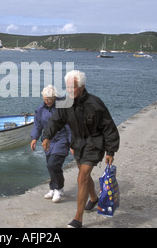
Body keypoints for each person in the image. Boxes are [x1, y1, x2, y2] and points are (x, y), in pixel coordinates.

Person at [41, 70, 120, 228]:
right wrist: (46, 136)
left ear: (82, 87)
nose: (70, 90)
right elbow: (55, 121)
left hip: (95, 143)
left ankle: (78, 219)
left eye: (74, 87)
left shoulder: (95, 104)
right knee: (84, 175)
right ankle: (94, 199)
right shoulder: (65, 103)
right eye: (68, 87)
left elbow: (109, 127)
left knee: (82, 176)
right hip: (77, 144)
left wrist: (110, 150)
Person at [30, 85, 71, 203]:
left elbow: (69, 127)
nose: (47, 101)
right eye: (45, 99)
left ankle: (58, 188)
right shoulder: (40, 110)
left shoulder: (62, 108)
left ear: (54, 97)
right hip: (47, 141)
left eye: (49, 99)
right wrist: (34, 138)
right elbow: (37, 125)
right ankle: (53, 188)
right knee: (49, 165)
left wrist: (72, 143)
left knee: (54, 164)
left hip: (62, 139)